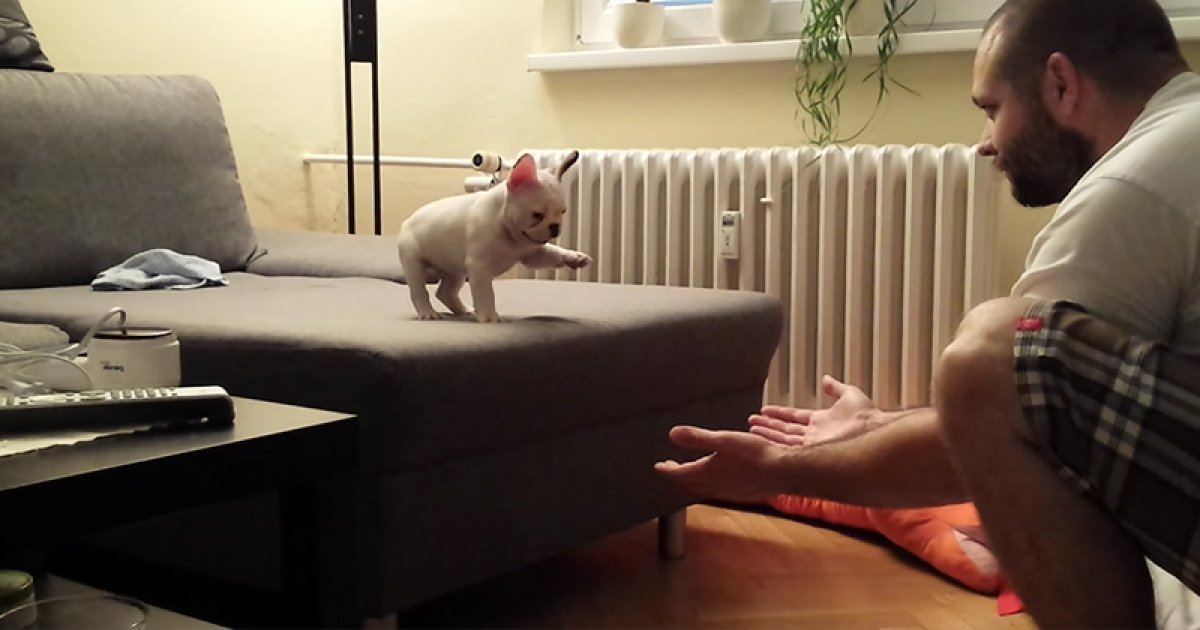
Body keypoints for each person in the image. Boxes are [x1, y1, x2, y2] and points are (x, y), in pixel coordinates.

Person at [654, 1, 1200, 628]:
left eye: (992, 108)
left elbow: (1006, 406)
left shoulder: (1135, 185)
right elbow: (1051, 412)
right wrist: (879, 425)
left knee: (992, 350)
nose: (987, 143)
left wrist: (775, 471)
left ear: (1060, 84)